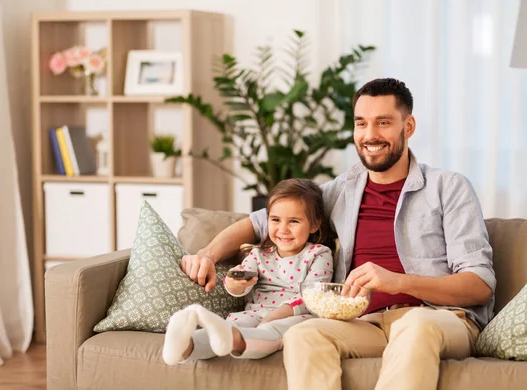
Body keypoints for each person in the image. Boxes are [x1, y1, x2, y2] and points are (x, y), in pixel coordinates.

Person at [180, 78, 496, 390]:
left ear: (408, 126)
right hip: (365, 322)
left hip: (438, 319)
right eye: (361, 124)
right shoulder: (343, 190)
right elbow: (264, 222)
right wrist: (208, 254)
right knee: (303, 334)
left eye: (383, 122)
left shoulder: (448, 187)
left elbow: (479, 285)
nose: (370, 135)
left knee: (415, 325)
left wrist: (397, 281)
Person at [162, 178, 334, 364]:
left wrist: (275, 315)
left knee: (271, 334)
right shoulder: (258, 253)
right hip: (254, 313)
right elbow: (241, 288)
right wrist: (234, 284)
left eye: (293, 221)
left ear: (314, 225)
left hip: (295, 317)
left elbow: (314, 297)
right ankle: (185, 347)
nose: (283, 229)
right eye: (275, 220)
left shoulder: (319, 254)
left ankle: (232, 339)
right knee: (227, 327)